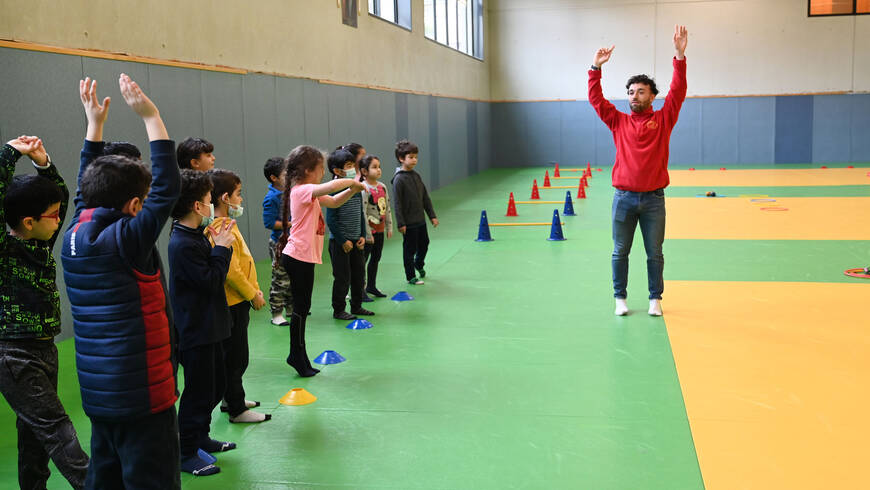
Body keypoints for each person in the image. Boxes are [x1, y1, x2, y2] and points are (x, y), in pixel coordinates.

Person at [62, 74, 182, 489]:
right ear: (134, 205)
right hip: (144, 397)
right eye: (143, 203)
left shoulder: (75, 232)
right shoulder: (127, 239)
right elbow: (167, 188)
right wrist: (151, 116)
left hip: (101, 398)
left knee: (105, 478)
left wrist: (93, 125)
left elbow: (85, 189)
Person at [0, 135, 90, 489]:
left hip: (43, 349)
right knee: (55, 426)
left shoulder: (40, 242)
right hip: (14, 354)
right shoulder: (5, 249)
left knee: (34, 432)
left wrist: (43, 164)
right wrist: (9, 153)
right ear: (27, 221)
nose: (59, 219)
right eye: (52, 216)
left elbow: (60, 198)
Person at [589, 25, 688, 317]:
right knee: (620, 251)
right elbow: (596, 100)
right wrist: (595, 68)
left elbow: (678, 92)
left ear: (652, 96)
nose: (634, 96)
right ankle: (620, 298)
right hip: (624, 198)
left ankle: (655, 299)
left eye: (641, 92)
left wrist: (679, 56)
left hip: (654, 200)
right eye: (631, 92)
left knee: (654, 253)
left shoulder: (664, 119)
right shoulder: (618, 121)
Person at [169, 169, 238, 476]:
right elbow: (211, 280)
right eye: (209, 199)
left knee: (216, 385)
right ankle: (185, 452)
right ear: (198, 206)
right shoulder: (182, 243)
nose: (212, 204)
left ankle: (201, 437)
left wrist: (219, 245)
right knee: (198, 393)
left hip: (212, 326)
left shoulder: (195, 235)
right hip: (196, 330)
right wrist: (222, 247)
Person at [277, 146, 364, 377]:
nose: (323, 173)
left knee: (303, 308)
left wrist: (353, 190)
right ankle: (296, 354)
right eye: (320, 169)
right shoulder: (302, 190)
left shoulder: (308, 192)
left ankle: (298, 354)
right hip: (297, 257)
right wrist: (352, 181)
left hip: (302, 258)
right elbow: (332, 187)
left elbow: (334, 201)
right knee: (301, 309)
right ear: (307, 170)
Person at [207, 168, 271, 423]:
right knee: (235, 358)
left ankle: (231, 398)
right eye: (238, 194)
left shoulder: (226, 224)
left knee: (234, 356)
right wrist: (252, 294)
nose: (241, 199)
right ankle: (236, 409)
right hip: (233, 302)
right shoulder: (219, 227)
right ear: (225, 198)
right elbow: (231, 271)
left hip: (238, 300)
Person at [325, 148, 373, 320]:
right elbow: (331, 219)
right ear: (337, 171)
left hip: (356, 241)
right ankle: (339, 309)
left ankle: (357, 305)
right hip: (340, 243)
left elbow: (360, 213)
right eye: (348, 165)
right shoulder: (334, 190)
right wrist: (343, 240)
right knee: (342, 277)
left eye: (353, 164)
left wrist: (362, 235)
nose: (353, 168)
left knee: (359, 275)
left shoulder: (355, 187)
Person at [391, 140, 438, 286]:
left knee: (424, 243)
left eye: (416, 157)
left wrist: (432, 216)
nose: (414, 160)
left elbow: (425, 197)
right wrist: (401, 223)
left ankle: (419, 263)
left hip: (420, 220)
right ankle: (410, 275)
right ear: (401, 158)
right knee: (409, 249)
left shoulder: (416, 176)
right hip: (408, 223)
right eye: (410, 157)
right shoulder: (399, 179)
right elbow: (397, 203)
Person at [262, 157, 293, 326]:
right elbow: (269, 223)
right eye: (285, 173)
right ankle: (276, 313)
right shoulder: (271, 198)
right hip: (279, 244)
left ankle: (290, 308)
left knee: (292, 276)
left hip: (292, 241)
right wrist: (290, 224)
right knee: (280, 279)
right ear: (274, 178)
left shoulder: (289, 192)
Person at [359, 155, 393, 298]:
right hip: (369, 233)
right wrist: (367, 234)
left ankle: (371, 286)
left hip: (379, 231)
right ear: (364, 171)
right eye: (374, 167)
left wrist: (389, 227)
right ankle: (360, 290)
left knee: (376, 259)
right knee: (363, 261)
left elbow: (387, 207)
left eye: (379, 167)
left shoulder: (382, 187)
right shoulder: (363, 189)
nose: (378, 170)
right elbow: (362, 212)